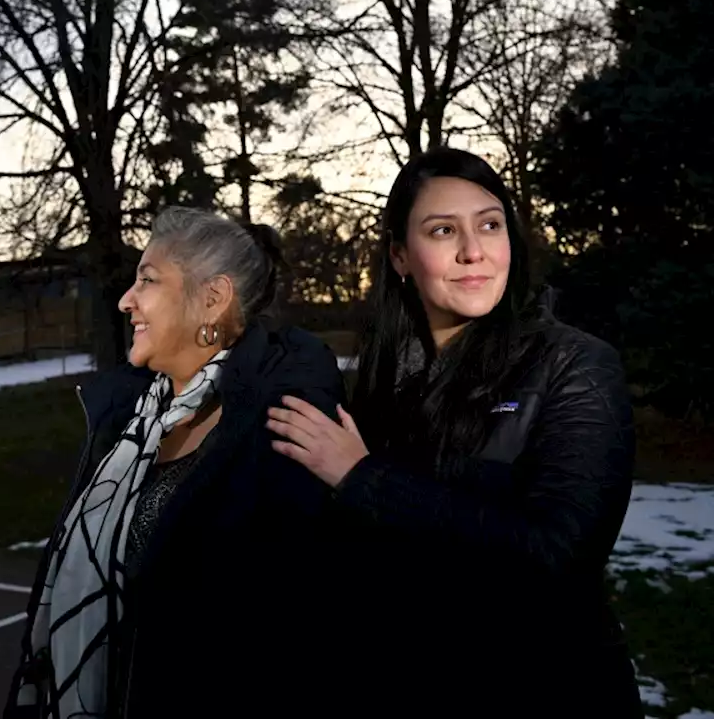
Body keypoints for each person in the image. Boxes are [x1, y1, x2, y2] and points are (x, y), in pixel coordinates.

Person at [266, 147, 643, 718]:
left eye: (490, 225)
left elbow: (558, 558)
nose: (474, 252)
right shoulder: (384, 380)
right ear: (399, 255)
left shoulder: (574, 365)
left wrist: (363, 477)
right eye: (443, 230)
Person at [5, 207, 346, 719]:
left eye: (147, 280)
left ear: (211, 299)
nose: (126, 301)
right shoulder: (128, 423)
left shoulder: (277, 434)